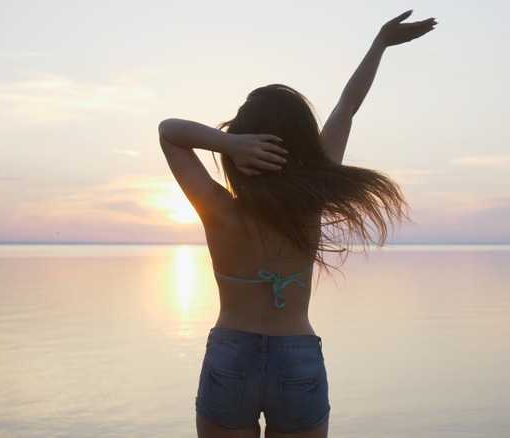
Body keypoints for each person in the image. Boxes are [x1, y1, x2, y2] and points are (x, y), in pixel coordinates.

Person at [159, 9, 436, 438]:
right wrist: (380, 42)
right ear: (302, 140)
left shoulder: (219, 210)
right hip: (297, 358)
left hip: (231, 355)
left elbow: (169, 131)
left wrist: (230, 143)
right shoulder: (314, 200)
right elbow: (348, 106)